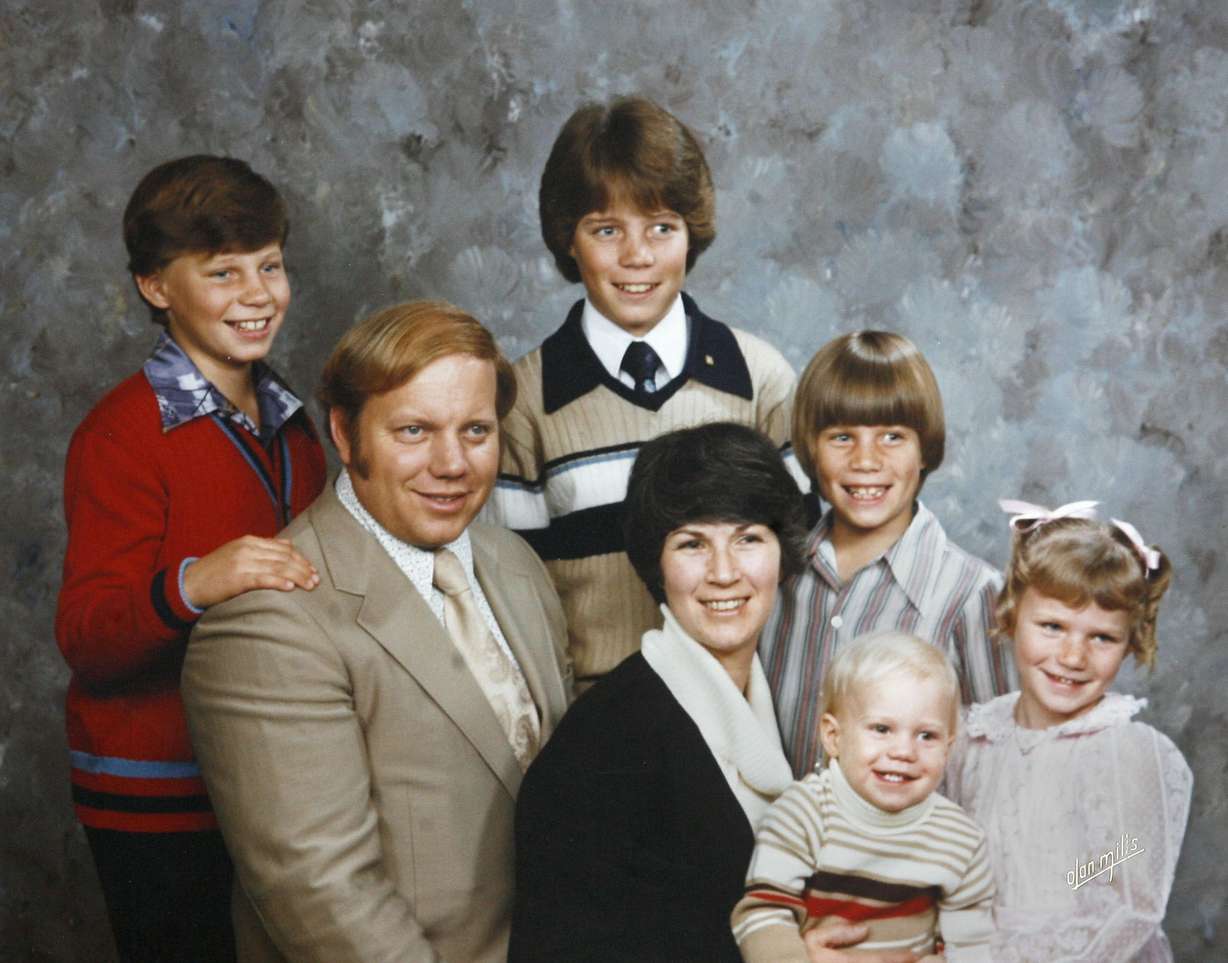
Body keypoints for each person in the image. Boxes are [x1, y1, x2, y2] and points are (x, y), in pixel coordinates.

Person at [181, 301, 573, 963]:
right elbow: (323, 893)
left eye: (476, 430)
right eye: (414, 430)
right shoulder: (269, 623)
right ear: (344, 432)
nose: (452, 463)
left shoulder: (515, 564)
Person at [54, 155, 326, 962]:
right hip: (157, 792)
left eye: (269, 265)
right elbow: (88, 638)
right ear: (155, 287)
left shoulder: (297, 422)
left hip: (271, 778)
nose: (257, 293)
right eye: (222, 272)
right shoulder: (123, 433)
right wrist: (196, 582)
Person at [485, 96, 801, 690]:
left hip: (750, 708)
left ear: (691, 234)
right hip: (596, 722)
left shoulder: (760, 381)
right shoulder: (523, 402)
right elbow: (518, 607)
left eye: (661, 228)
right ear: (568, 240)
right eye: (606, 230)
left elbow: (800, 577)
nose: (637, 256)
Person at [509, 422, 803, 962]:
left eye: (748, 538)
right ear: (656, 564)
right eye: (692, 543)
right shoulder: (601, 746)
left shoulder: (778, 707)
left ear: (781, 552)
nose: (723, 572)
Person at [945, 500, 1193, 962]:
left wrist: (1071, 882)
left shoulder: (1130, 753)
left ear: (1130, 642)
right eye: (1053, 626)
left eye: (1102, 637)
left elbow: (1130, 901)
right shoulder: (974, 739)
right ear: (1012, 616)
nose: (1073, 657)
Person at [760, 330, 1014, 776]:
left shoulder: (973, 596)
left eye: (892, 437)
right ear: (811, 451)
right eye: (841, 438)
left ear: (924, 450)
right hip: (784, 841)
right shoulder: (778, 575)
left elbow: (999, 765)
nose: (866, 460)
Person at [732, 630, 995, 962]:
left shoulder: (961, 841)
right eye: (881, 729)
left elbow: (973, 943)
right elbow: (762, 914)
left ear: (948, 748)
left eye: (926, 735)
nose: (903, 751)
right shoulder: (804, 813)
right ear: (833, 737)